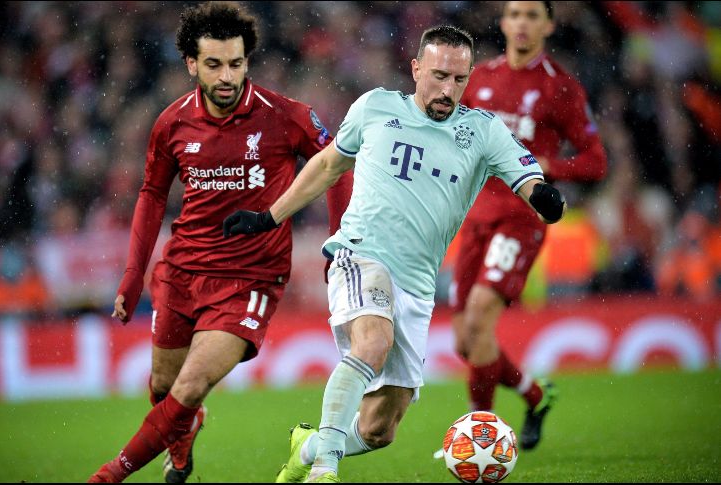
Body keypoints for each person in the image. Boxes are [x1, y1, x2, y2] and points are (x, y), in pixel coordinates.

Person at [223, 25, 566, 483]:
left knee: (379, 428)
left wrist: (543, 197)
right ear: (417, 68)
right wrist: (269, 216)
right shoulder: (375, 107)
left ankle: (308, 446)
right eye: (440, 76)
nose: (448, 90)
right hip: (360, 253)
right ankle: (324, 471)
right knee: (373, 344)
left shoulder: (482, 131)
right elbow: (327, 165)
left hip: (418, 285)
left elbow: (528, 178)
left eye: (459, 80)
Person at [88, 2, 352, 483]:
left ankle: (107, 476)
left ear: (247, 59)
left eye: (235, 63)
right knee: (164, 387)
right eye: (214, 65)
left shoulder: (286, 116)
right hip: (183, 272)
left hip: (250, 278)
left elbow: (337, 166)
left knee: (189, 385)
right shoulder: (171, 123)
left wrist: (340, 239)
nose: (226, 75)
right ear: (192, 64)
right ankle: (184, 439)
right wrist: (132, 274)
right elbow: (151, 196)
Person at [446, 0, 607, 454]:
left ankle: (481, 437)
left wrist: (544, 166)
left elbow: (596, 161)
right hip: (473, 217)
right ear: (502, 22)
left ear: (549, 25)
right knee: (464, 340)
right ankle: (536, 396)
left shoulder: (560, 88)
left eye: (532, 15)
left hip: (521, 219)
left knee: (479, 318)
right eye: (515, 13)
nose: (522, 23)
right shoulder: (480, 80)